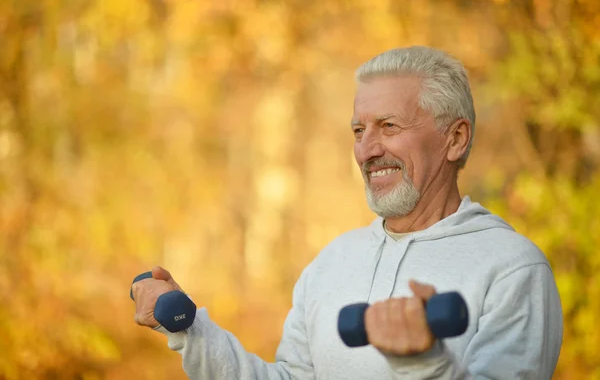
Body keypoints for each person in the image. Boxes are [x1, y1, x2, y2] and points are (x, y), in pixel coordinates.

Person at [131, 46, 564, 379]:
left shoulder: (512, 269)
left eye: (389, 126)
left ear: (455, 139)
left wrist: (424, 362)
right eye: (359, 130)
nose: (367, 150)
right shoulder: (333, 261)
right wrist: (188, 331)